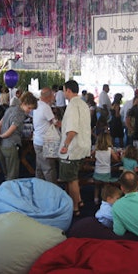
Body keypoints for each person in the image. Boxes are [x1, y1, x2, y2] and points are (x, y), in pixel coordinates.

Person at [58, 80, 91, 216]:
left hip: (72, 149)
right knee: (74, 177)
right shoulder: (83, 104)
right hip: (83, 146)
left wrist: (65, 145)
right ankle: (80, 200)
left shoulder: (72, 106)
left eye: (64, 90)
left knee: (71, 179)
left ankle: (75, 207)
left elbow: (72, 129)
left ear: (68, 91)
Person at [0, 91, 38, 180]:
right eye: (29, 108)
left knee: (6, 172)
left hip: (1, 145)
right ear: (24, 103)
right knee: (12, 174)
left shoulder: (10, 109)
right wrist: (1, 136)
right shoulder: (20, 114)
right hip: (11, 145)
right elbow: (11, 130)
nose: (29, 111)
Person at [33, 87, 59, 183]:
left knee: (39, 167)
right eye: (53, 95)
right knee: (49, 169)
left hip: (37, 140)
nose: (54, 97)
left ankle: (39, 187)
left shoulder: (37, 105)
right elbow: (54, 122)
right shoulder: (46, 107)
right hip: (45, 142)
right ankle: (52, 190)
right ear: (49, 97)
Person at [92, 131, 121, 205]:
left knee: (97, 186)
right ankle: (104, 199)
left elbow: (91, 156)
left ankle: (96, 198)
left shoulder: (96, 149)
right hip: (106, 174)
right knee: (105, 187)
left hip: (97, 174)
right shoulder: (109, 150)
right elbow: (116, 159)